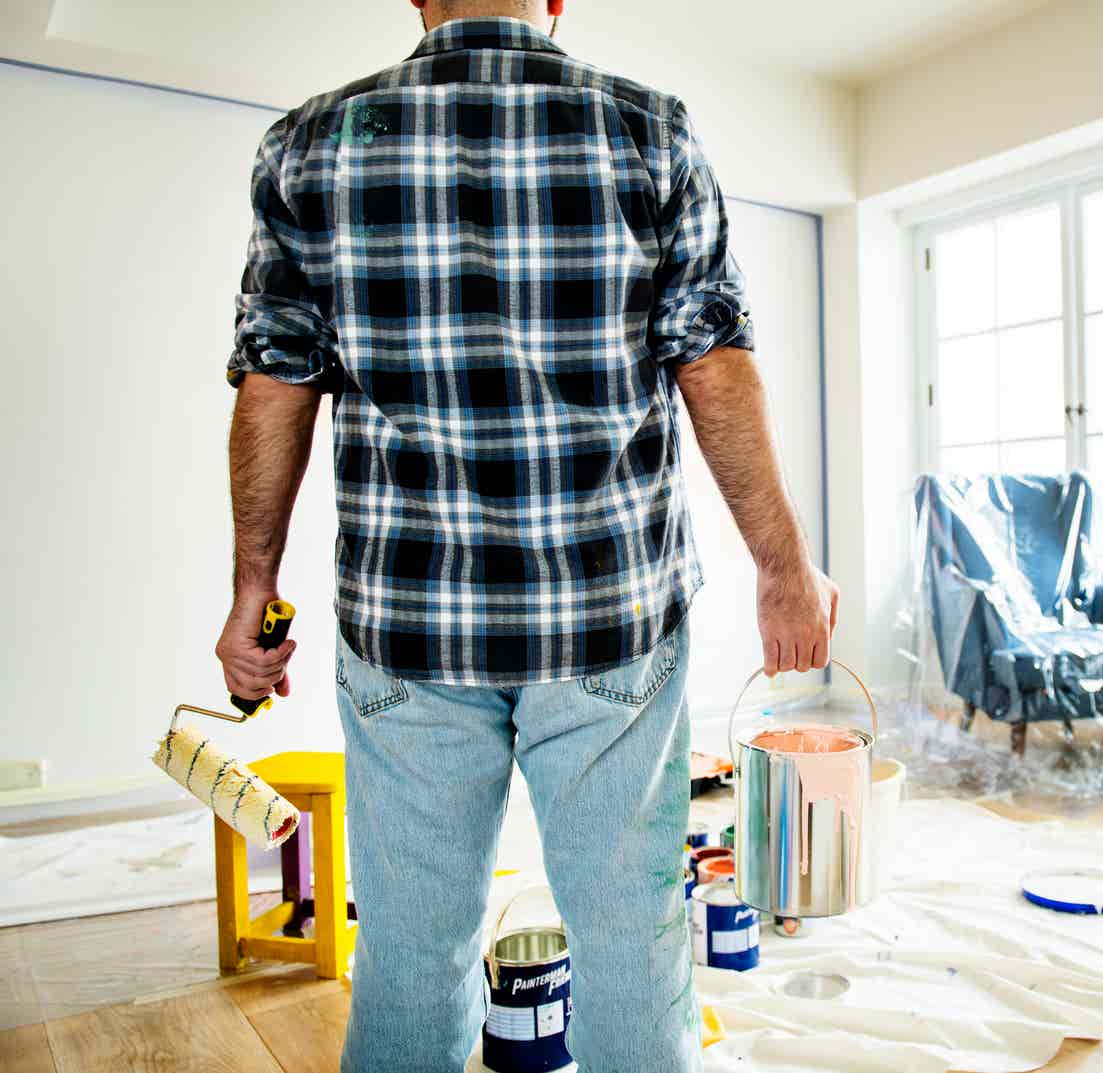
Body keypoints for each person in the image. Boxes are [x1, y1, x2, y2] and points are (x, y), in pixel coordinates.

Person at [213, 2, 838, 1070]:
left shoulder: (310, 142)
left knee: (412, 951)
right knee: (631, 947)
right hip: (609, 619)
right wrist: (783, 567)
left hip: (409, 625)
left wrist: (250, 588)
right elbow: (713, 362)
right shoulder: (648, 130)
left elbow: (277, 380)